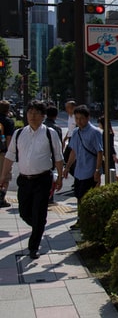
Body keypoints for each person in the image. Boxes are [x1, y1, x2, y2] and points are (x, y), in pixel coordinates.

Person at [0, 100, 64, 259]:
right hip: (24, 180)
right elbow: (9, 156)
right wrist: (3, 175)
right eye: (30, 113)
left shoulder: (50, 133)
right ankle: (38, 226)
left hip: (43, 180)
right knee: (24, 212)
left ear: (43, 116)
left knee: (39, 212)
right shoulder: (19, 133)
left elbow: (58, 157)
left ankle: (33, 247)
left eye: (36, 113)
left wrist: (60, 177)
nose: (32, 116)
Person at [63, 105, 104, 229]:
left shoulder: (95, 132)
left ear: (88, 118)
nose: (79, 121)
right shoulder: (76, 132)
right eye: (77, 118)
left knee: (85, 197)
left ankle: (87, 221)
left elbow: (99, 152)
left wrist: (97, 170)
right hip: (79, 171)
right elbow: (73, 151)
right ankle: (82, 220)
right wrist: (67, 167)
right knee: (79, 196)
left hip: (90, 171)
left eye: (81, 118)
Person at [0, 100, 16, 208]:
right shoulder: (8, 121)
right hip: (3, 153)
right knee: (4, 177)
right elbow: (9, 139)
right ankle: (1, 198)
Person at [97, 116, 118, 181]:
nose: (98, 125)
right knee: (109, 172)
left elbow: (110, 146)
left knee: (109, 172)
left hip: (107, 156)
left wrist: (114, 156)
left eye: (99, 123)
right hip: (107, 155)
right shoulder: (109, 132)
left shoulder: (106, 133)